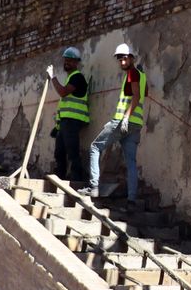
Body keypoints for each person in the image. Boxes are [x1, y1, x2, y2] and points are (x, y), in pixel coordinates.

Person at [88, 42, 147, 202]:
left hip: (123, 121)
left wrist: (125, 117)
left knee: (95, 147)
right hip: (136, 125)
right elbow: (143, 93)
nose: (122, 62)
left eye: (125, 59)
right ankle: (132, 199)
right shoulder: (141, 76)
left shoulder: (132, 73)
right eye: (120, 59)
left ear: (132, 58)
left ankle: (93, 187)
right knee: (131, 162)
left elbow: (136, 97)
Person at [47, 46, 90, 182]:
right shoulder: (70, 78)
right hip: (65, 122)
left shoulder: (77, 77)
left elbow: (63, 92)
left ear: (76, 62)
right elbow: (65, 106)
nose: (67, 62)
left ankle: (77, 180)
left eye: (70, 60)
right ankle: (60, 179)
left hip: (73, 121)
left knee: (72, 151)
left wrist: (53, 77)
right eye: (66, 60)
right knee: (59, 152)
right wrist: (58, 126)